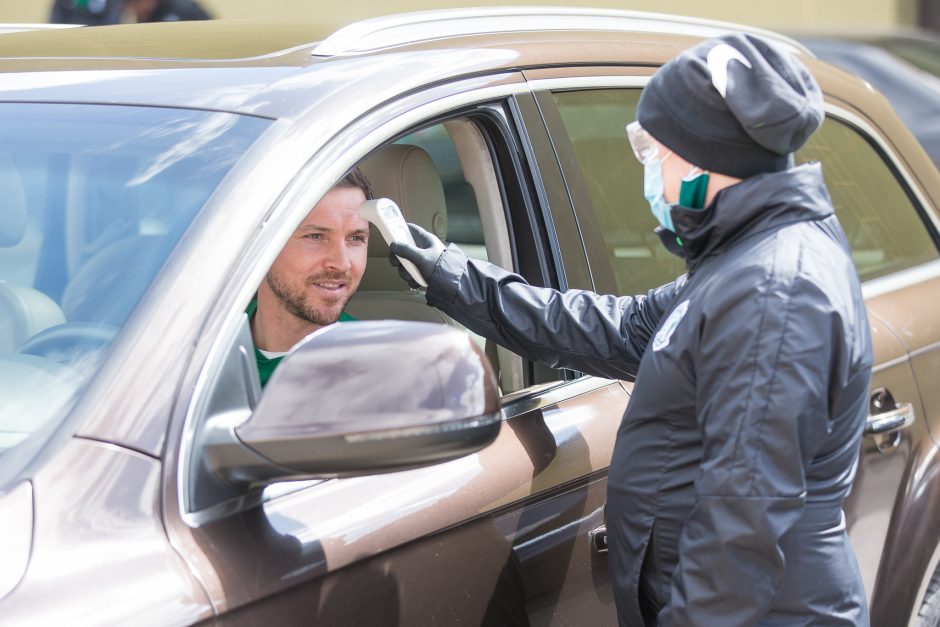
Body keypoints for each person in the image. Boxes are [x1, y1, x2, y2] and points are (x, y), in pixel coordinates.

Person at [389, 33, 873, 626]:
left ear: (699, 160)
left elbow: (740, 529)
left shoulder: (773, 291)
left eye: (652, 151)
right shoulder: (742, 265)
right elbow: (621, 329)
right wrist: (450, 274)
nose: (650, 173)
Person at [249, 168, 373, 386]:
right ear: (261, 244)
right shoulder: (203, 344)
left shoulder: (371, 370)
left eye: (356, 238)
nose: (342, 263)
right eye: (316, 236)